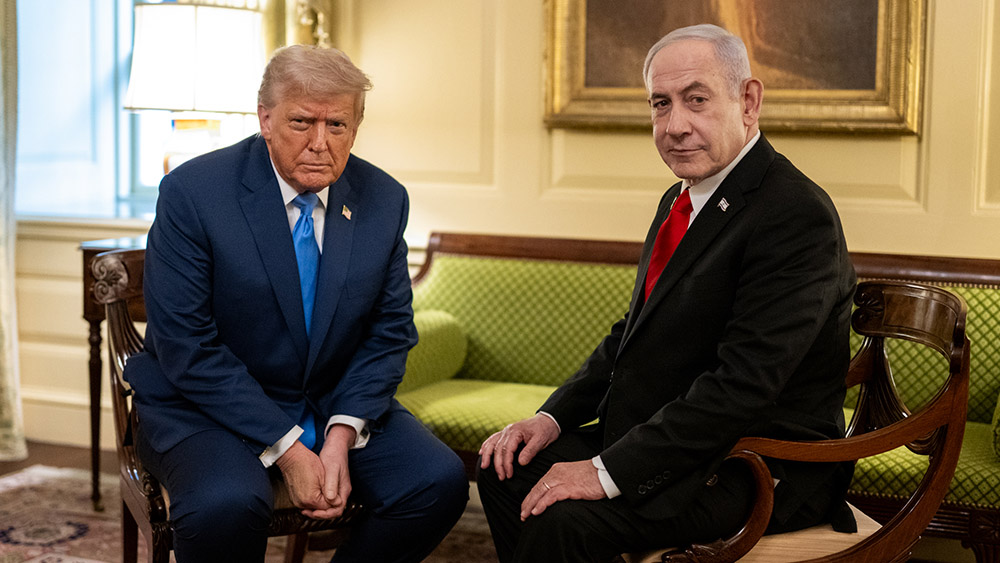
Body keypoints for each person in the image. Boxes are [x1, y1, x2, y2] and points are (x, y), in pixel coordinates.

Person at [477, 24, 857, 562]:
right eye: (661, 104)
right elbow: (631, 334)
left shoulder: (794, 213)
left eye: (696, 100)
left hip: (753, 463)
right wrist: (551, 418)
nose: (675, 126)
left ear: (749, 102)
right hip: (678, 437)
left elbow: (742, 385)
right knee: (503, 468)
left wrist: (603, 472)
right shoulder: (682, 198)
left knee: (565, 519)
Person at [124, 45, 468, 563]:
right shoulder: (194, 193)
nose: (320, 143)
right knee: (225, 504)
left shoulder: (383, 199)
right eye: (302, 122)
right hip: (205, 407)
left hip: (330, 399)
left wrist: (341, 434)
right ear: (265, 119)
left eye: (337, 125)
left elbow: (390, 332)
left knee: (436, 482)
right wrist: (287, 448)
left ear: (356, 126)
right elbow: (186, 345)